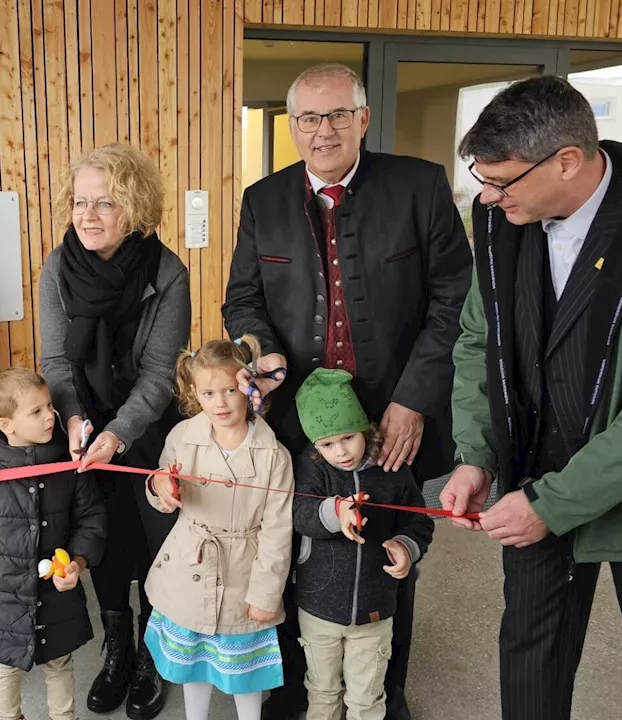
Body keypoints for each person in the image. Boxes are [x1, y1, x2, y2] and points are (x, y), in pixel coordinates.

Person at [444, 75, 622, 720]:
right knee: (530, 674)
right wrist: (476, 454)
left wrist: (557, 501)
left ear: (567, 161)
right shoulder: (503, 223)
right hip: (534, 483)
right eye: (480, 178)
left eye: (501, 180)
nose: (486, 197)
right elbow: (475, 341)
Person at [222, 63, 471, 719]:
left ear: (363, 119)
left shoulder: (420, 187)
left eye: (337, 115)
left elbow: (456, 302)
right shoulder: (262, 199)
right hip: (296, 420)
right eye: (308, 117)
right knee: (294, 545)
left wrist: (413, 399)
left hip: (393, 415)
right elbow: (242, 300)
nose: (322, 130)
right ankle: (297, 686)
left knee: (387, 543)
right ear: (293, 126)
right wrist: (262, 349)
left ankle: (382, 691)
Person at [39, 143, 189, 720]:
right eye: (80, 202)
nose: (89, 215)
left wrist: (120, 434)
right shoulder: (59, 265)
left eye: (106, 203)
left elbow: (159, 375)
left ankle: (151, 652)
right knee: (98, 539)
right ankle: (117, 648)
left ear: (136, 208)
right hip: (82, 423)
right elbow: (56, 363)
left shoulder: (166, 271)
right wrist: (77, 420)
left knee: (154, 541)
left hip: (148, 428)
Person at [142, 336, 294, 720]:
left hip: (241, 572)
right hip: (190, 566)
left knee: (244, 672)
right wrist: (159, 485)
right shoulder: (181, 437)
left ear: (248, 386)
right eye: (209, 393)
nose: (221, 402)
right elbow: (161, 487)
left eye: (230, 390)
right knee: (194, 663)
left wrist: (265, 593)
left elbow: (277, 529)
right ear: (195, 392)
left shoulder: (273, 453)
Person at [0, 368, 108, 720]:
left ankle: (63, 717)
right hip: (0, 594)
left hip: (55, 592)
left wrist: (77, 562)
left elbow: (90, 518)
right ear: (6, 425)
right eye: (36, 411)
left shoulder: (68, 465)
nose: (51, 415)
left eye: (49, 405)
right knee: (4, 665)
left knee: (60, 661)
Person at [292, 369, 433, 720]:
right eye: (327, 444)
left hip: (375, 609)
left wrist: (405, 546)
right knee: (322, 694)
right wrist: (335, 512)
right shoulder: (312, 469)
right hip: (318, 610)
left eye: (348, 438)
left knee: (367, 701)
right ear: (314, 444)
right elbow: (300, 514)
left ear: (365, 429)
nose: (340, 452)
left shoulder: (392, 470)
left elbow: (419, 519)